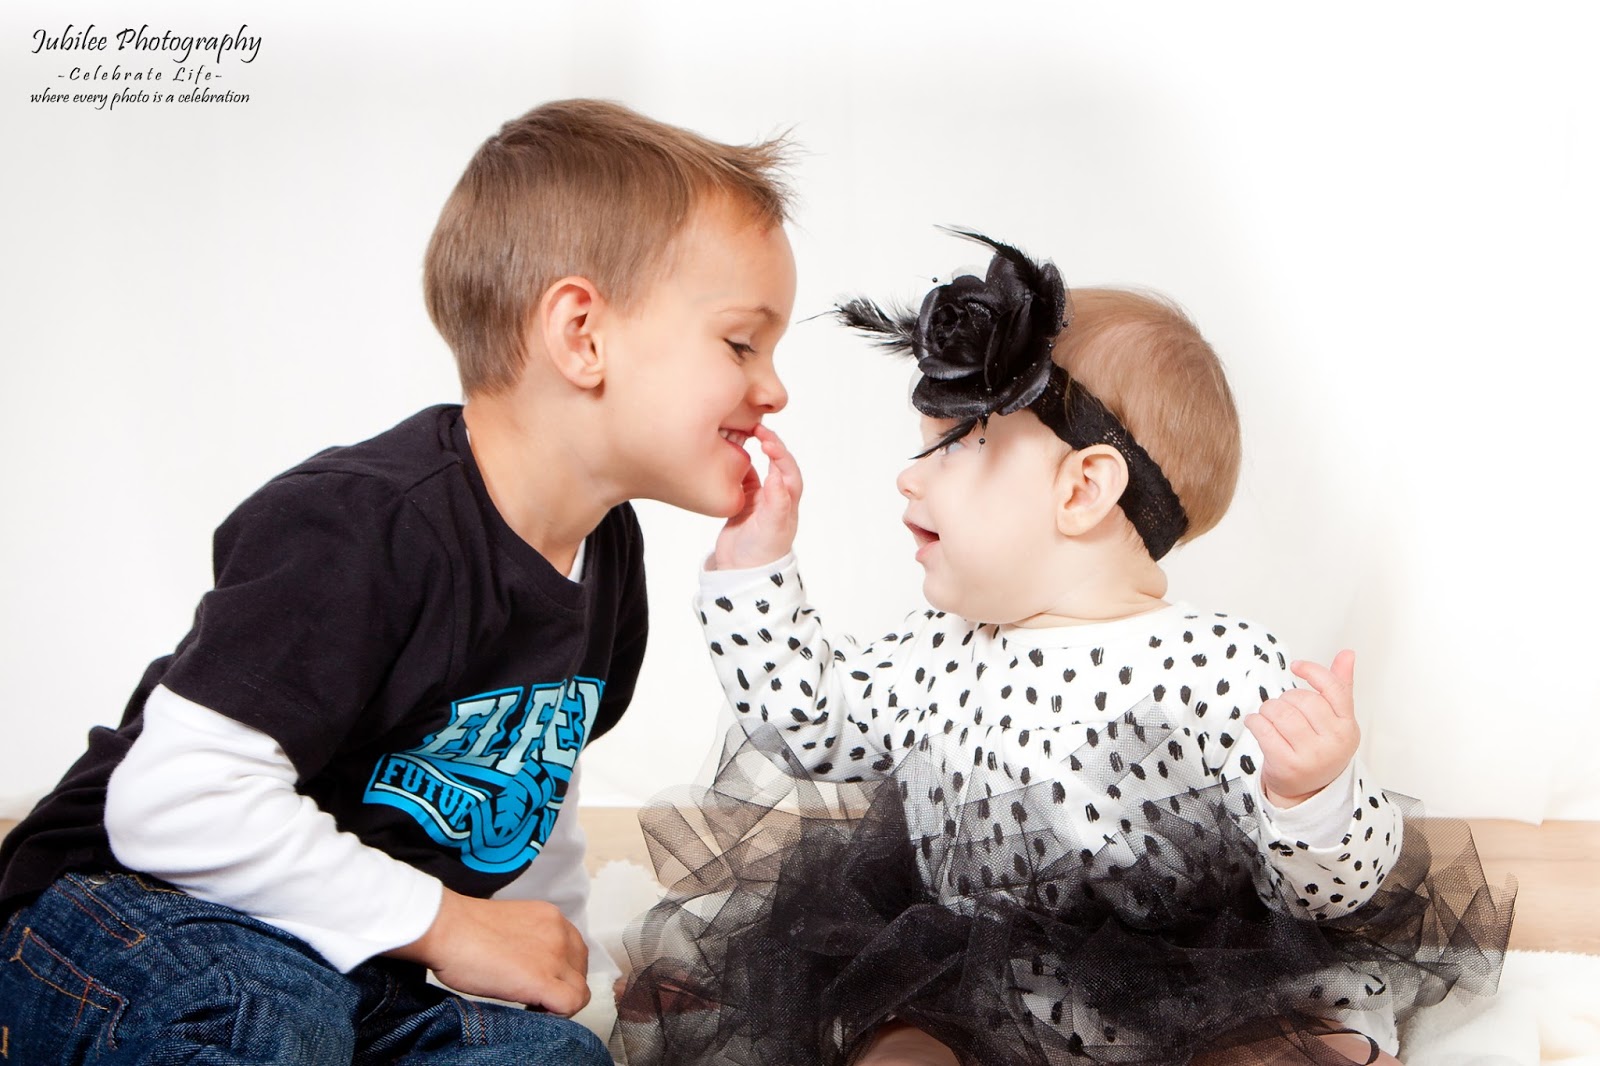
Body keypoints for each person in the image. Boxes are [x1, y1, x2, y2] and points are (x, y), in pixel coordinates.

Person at [0, 98, 797, 1064]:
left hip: (362, 962)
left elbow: (530, 791)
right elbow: (170, 802)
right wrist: (452, 926)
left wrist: (554, 972)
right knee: (260, 1016)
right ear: (582, 334)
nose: (774, 389)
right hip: (140, 914)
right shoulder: (365, 523)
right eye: (741, 343)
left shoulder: (608, 558)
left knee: (552, 1059)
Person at [612, 233, 1512, 1065]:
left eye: (952, 448)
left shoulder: (1219, 665)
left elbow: (1333, 889)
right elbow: (809, 722)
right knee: (891, 1040)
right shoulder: (941, 652)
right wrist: (755, 571)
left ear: (1083, 489)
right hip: (968, 986)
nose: (908, 477)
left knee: (1300, 1041)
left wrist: (1312, 795)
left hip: (1185, 985)